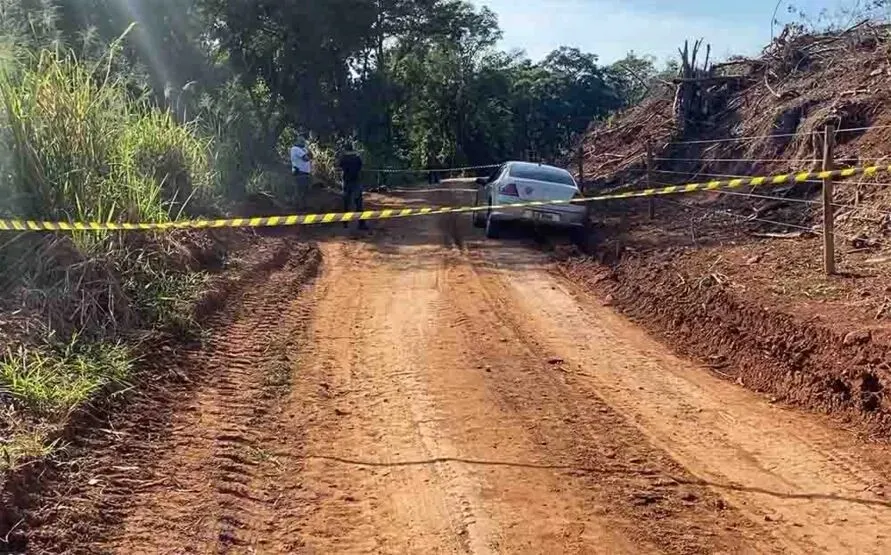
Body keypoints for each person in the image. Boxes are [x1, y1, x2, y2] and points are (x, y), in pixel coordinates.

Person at [338, 142, 366, 230]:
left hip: (346, 182)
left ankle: (345, 223)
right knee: (358, 203)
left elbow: (340, 166)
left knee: (346, 203)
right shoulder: (357, 158)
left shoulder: (343, 158)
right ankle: (361, 224)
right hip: (356, 181)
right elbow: (360, 167)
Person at [289, 138, 313, 210]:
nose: (303, 143)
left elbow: (311, 156)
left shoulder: (303, 149)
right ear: (297, 141)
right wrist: (308, 153)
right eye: (301, 141)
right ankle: (298, 206)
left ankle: (302, 205)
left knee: (304, 190)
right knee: (300, 190)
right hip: (299, 172)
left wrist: (308, 151)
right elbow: (306, 158)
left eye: (303, 141)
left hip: (305, 172)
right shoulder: (295, 149)